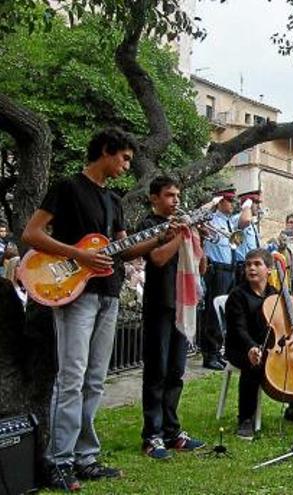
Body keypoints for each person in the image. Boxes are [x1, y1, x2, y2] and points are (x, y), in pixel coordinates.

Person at [21, 127, 151, 490]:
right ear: (107, 151)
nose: (127, 165)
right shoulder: (67, 187)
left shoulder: (115, 201)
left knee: (95, 379)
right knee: (71, 378)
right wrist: (77, 254)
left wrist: (162, 236)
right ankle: (59, 460)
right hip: (74, 293)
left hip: (108, 293)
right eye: (124, 157)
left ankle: (86, 456)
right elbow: (31, 234)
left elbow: (123, 250)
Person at [137, 176, 206, 460]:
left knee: (176, 371)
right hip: (159, 304)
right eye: (168, 195)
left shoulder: (183, 228)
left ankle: (172, 430)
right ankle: (151, 435)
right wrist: (181, 235)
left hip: (182, 304)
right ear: (154, 198)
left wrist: (196, 238)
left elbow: (202, 267)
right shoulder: (147, 225)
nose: (175, 200)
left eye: (177, 195)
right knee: (157, 370)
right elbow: (158, 258)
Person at [225, 249, 293, 440]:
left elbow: (289, 327)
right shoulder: (238, 295)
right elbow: (239, 330)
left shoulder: (276, 294)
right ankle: (246, 418)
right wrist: (251, 347)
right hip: (241, 347)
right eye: (248, 265)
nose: (251, 268)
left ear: (269, 269)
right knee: (254, 364)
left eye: (257, 264)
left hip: (274, 346)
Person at [201, 186, 253, 370]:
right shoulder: (210, 218)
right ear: (220, 201)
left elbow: (242, 226)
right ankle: (209, 354)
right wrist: (213, 202)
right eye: (229, 200)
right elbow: (196, 215)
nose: (233, 204)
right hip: (217, 269)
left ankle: (217, 351)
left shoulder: (228, 221)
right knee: (212, 314)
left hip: (230, 268)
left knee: (224, 313)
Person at [233, 190, 263, 281]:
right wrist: (247, 205)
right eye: (256, 202)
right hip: (242, 266)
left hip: (252, 265)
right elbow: (245, 220)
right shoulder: (238, 218)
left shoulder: (252, 224)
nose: (259, 206)